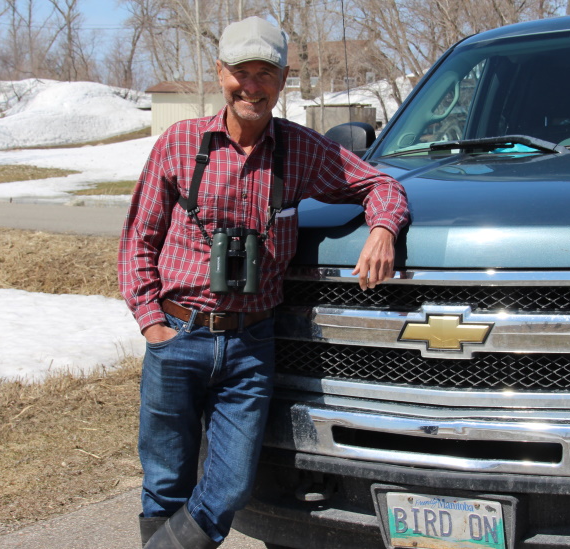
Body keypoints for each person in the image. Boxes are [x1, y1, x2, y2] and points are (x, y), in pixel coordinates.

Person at [118, 15, 409, 549]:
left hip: (251, 345)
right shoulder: (180, 144)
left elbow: (380, 184)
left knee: (228, 485)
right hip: (177, 335)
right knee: (164, 482)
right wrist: (151, 322)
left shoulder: (301, 150)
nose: (251, 85)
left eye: (265, 73)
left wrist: (384, 229)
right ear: (220, 72)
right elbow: (139, 238)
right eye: (240, 72)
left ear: (282, 79)